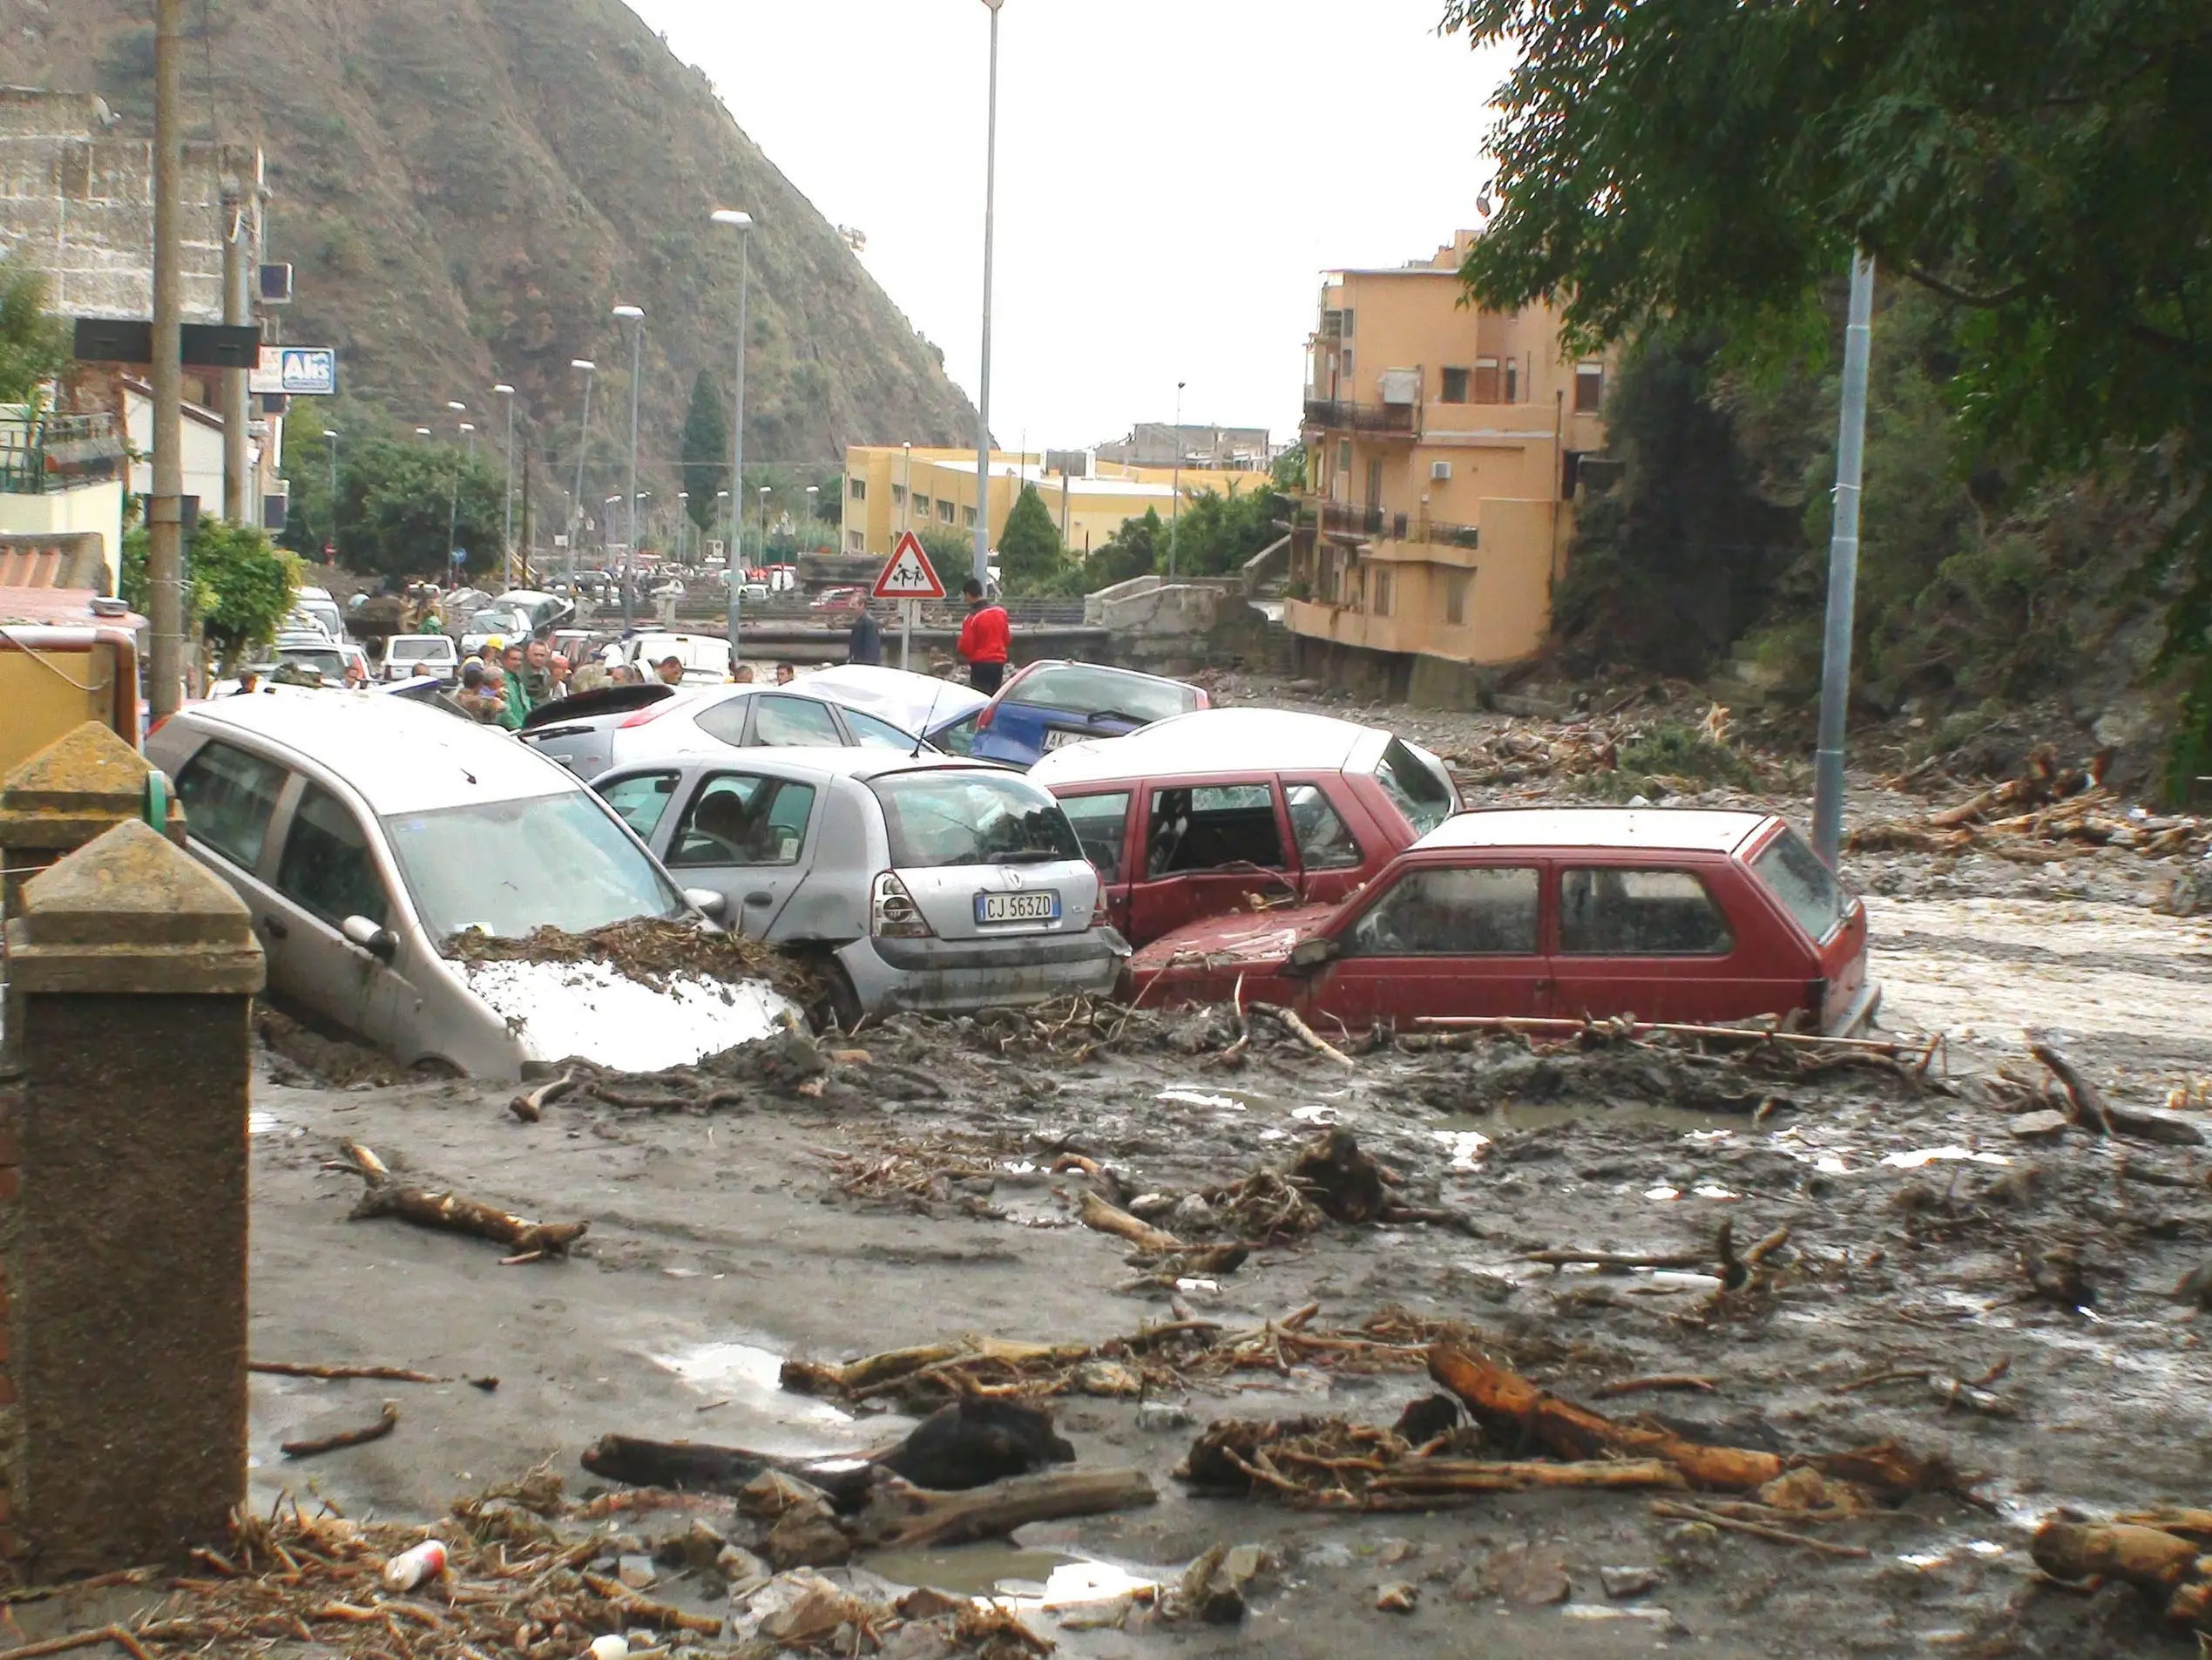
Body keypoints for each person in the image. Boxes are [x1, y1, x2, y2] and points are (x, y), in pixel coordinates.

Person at [957, 577, 1010, 694]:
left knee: (980, 698)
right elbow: (1007, 639)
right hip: (998, 663)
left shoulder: (972, 618)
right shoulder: (1001, 612)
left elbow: (966, 646)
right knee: (993, 697)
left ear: (969, 595)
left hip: (980, 664)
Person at [498, 644, 534, 729]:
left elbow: (526, 706)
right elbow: (504, 712)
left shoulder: (518, 680)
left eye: (520, 660)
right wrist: (518, 728)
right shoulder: (500, 680)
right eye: (514, 659)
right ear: (504, 660)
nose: (518, 663)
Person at [846, 593, 883, 667]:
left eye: (853, 604)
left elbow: (872, 649)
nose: (850, 607)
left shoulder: (869, 623)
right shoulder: (859, 621)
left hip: (865, 667)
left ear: (862, 605)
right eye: (850, 604)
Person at [524, 639, 557, 706]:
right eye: (536, 655)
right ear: (528, 653)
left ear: (547, 656)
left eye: (542, 655)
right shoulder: (520, 672)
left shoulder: (546, 672)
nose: (539, 658)